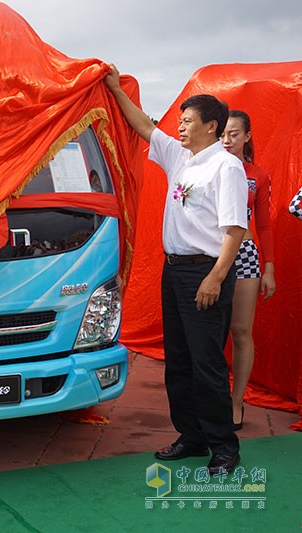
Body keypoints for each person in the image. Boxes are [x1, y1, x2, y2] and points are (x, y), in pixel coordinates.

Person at [105, 65, 247, 474]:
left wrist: (216, 278)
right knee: (180, 361)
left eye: (188, 121)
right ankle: (192, 435)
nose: (180, 127)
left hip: (205, 272)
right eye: (180, 121)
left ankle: (224, 447)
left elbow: (235, 230)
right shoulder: (181, 157)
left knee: (207, 363)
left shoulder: (226, 167)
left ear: (211, 125)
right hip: (175, 270)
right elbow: (144, 127)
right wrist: (115, 88)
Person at [220, 110, 276, 430]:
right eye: (223, 135)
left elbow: (265, 226)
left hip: (245, 256)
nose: (227, 141)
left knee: (240, 331)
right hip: (210, 256)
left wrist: (269, 268)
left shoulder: (258, 175)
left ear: (247, 136)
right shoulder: (208, 168)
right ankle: (209, 400)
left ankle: (236, 403)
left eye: (234, 135)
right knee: (210, 333)